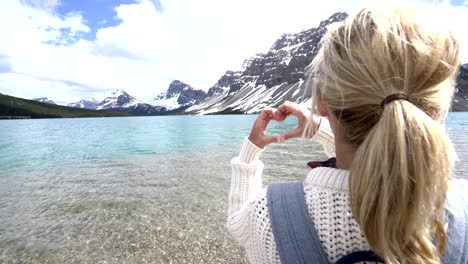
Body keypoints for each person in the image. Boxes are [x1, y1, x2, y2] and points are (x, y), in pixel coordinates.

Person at [227, 7, 468, 264]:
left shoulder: (267, 214)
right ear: (433, 109)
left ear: (321, 100)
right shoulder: (461, 205)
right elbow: (380, 134)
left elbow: (236, 222)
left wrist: (250, 153)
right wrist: (321, 129)